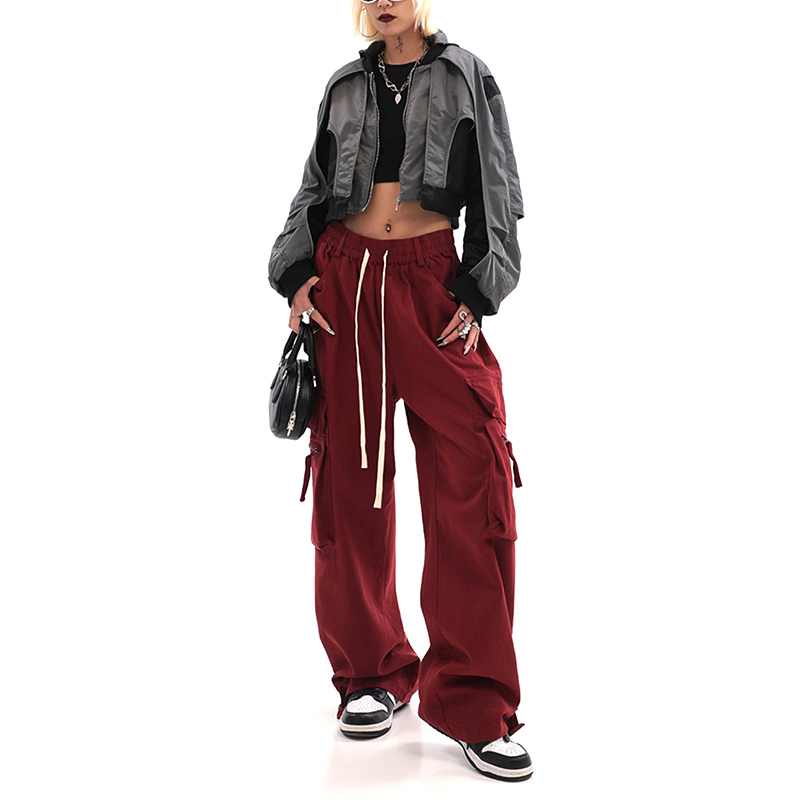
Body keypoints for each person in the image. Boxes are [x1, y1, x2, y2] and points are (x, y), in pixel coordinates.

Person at [268, 0, 531, 782]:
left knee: (472, 480)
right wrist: (296, 275)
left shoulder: (467, 75)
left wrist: (478, 292)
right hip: (345, 285)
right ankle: (371, 672)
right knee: (349, 486)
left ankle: (476, 703)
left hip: (432, 288)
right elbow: (313, 190)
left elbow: (499, 189)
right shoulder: (344, 85)